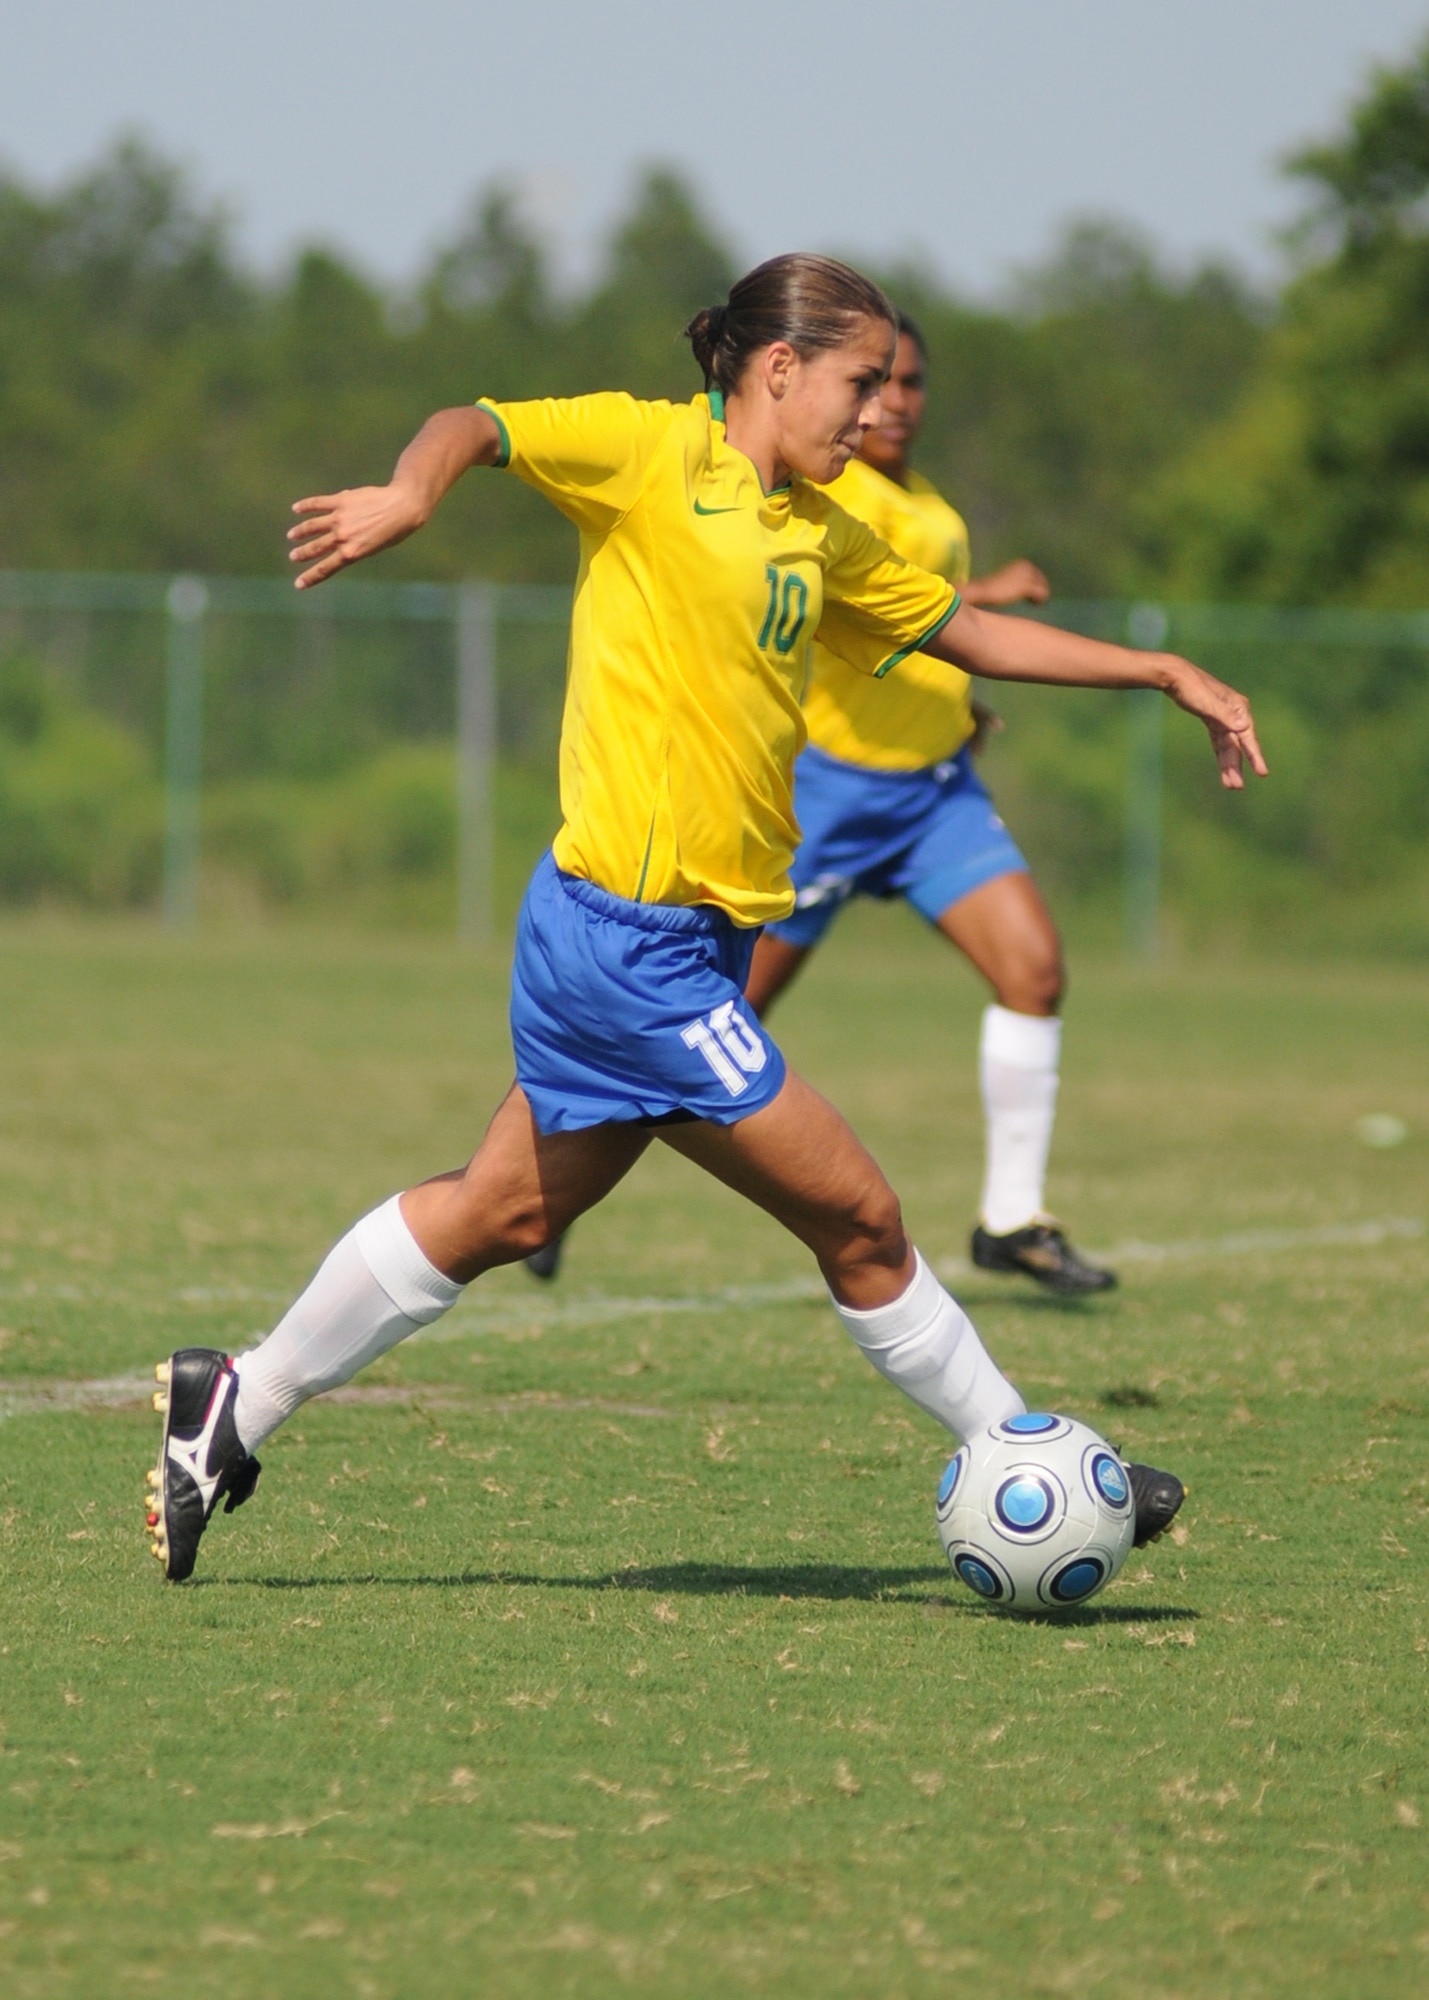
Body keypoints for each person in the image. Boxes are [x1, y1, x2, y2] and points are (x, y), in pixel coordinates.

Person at [143, 254, 1264, 1585]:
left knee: (500, 1211)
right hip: (628, 947)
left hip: (681, 943)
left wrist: (1159, 669)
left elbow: (963, 631)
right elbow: (478, 426)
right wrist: (409, 489)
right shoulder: (645, 450)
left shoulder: (821, 529)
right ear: (775, 368)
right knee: (859, 1218)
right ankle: (1029, 1453)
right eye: (857, 384)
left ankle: (235, 1405)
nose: (872, 412)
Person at [742, 312, 1109, 1295]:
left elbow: (931, 624)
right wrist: (983, 593)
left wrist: (962, 700)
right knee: (721, 1018)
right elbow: (866, 603)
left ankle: (1010, 1218)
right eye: (874, 382)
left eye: (906, 385)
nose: (891, 402)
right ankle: (548, 1182)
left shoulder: (936, 504)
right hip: (827, 789)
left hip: (934, 792)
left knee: (1033, 969)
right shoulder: (823, 485)